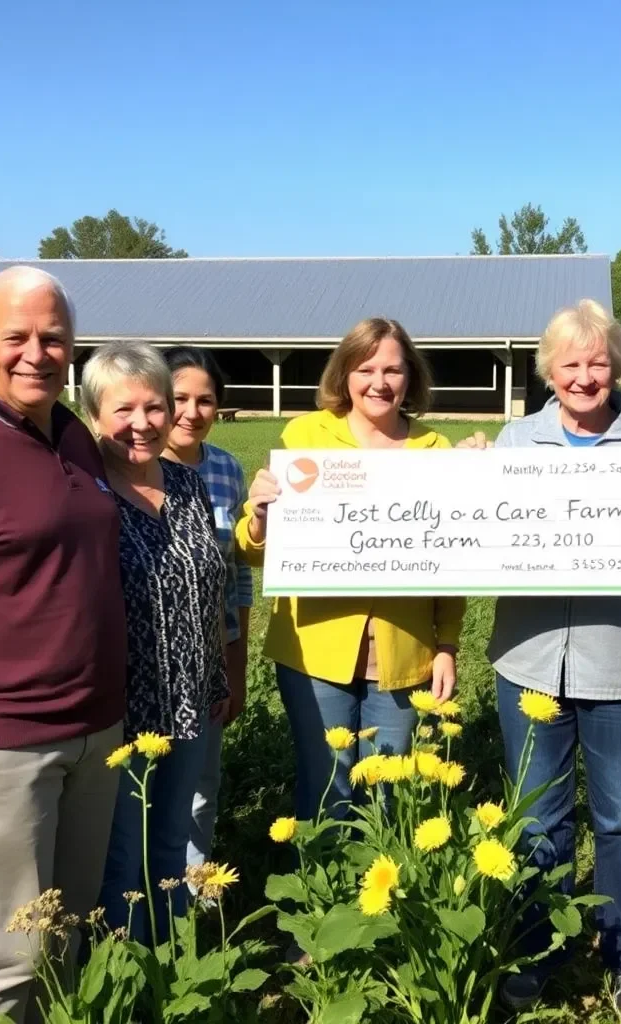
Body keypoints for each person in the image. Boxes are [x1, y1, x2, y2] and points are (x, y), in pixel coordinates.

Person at [465, 300, 621, 1020]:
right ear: (549, 371)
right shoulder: (513, 441)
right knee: (536, 822)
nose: (585, 375)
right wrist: (463, 489)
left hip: (620, 661)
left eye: (598, 362)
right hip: (530, 659)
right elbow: (474, 541)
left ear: (619, 368)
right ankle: (540, 952)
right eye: (570, 363)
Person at [0, 267, 127, 1024]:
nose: (36, 354)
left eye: (53, 337)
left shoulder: (72, 434)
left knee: (65, 936)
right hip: (1, 742)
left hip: (94, 730)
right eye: (16, 337)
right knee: (6, 956)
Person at [236, 318, 465, 822]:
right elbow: (254, 553)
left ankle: (381, 898)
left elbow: (450, 563)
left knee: (389, 792)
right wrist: (259, 518)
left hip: (404, 652)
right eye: (366, 369)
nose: (379, 383)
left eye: (392, 370)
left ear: (411, 377)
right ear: (344, 374)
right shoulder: (305, 435)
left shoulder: (437, 451)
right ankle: (323, 897)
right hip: (314, 649)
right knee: (326, 786)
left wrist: (447, 644)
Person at [84, 341, 229, 939]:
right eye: (123, 410)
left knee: (171, 844)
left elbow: (213, 590)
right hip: (121, 710)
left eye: (154, 407)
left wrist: (218, 676)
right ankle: (124, 966)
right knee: (122, 856)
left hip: (192, 699)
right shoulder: (84, 494)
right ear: (92, 413)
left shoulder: (190, 487)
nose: (141, 424)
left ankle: (168, 966)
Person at [161, 346, 253, 870]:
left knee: (202, 784)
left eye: (205, 400)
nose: (192, 412)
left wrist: (234, 671)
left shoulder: (226, 468)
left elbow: (237, 575)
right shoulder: (129, 465)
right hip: (146, 657)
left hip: (210, 654)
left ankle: (194, 894)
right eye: (179, 399)